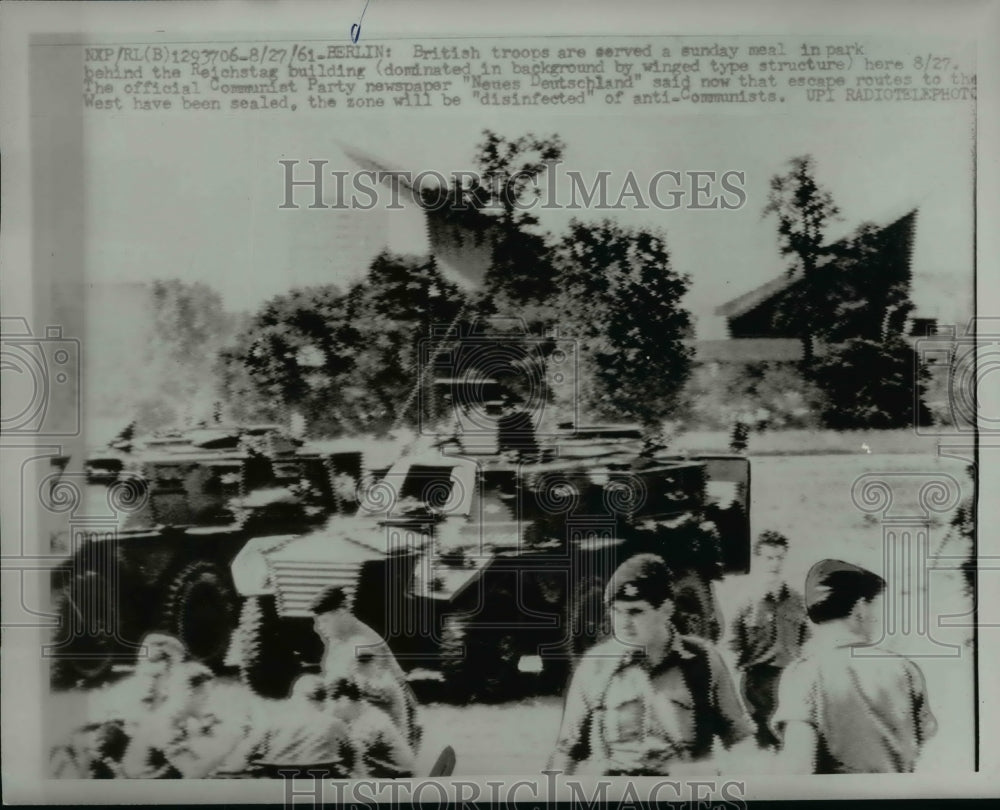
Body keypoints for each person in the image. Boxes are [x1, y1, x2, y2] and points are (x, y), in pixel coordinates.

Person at [548, 554, 753, 776]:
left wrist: (717, 774)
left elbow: (741, 740)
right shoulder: (596, 665)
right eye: (616, 611)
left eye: (636, 611)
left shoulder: (702, 660)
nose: (623, 623)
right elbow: (566, 752)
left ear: (666, 610)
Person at [772, 559, 938, 773]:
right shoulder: (905, 669)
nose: (878, 617)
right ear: (860, 608)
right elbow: (926, 740)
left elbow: (798, 764)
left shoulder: (804, 673)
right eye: (876, 606)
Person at [310, 585, 422, 752]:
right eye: (318, 622)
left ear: (341, 613)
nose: (319, 627)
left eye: (325, 620)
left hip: (387, 717)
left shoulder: (363, 643)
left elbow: (366, 696)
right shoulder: (339, 636)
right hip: (365, 710)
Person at [727, 531, 810, 749]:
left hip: (789, 681)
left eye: (779, 558)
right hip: (756, 685)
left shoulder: (797, 601)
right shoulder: (744, 601)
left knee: (791, 744)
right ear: (757, 560)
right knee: (762, 747)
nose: (774, 564)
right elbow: (733, 648)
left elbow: (806, 642)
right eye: (768, 558)